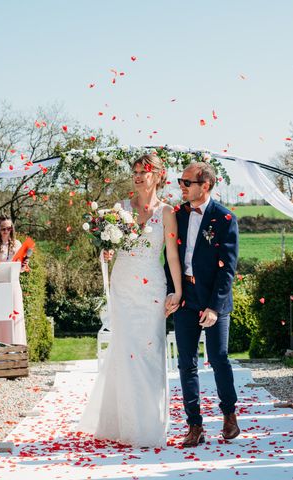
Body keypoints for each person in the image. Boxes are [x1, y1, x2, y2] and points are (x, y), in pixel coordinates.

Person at [79, 153, 182, 447]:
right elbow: (106, 245)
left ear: (158, 176)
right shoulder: (119, 209)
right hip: (122, 285)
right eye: (135, 171)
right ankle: (122, 424)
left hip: (152, 289)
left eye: (144, 172)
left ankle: (149, 425)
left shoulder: (167, 213)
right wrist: (106, 252)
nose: (138, 176)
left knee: (149, 352)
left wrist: (178, 290)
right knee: (124, 352)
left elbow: (172, 256)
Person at [165, 161, 240, 447]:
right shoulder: (177, 215)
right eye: (180, 182)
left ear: (205, 185)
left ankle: (229, 415)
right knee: (186, 363)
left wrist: (214, 307)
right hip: (185, 297)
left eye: (187, 183)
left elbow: (228, 269)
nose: (181, 187)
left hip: (213, 300)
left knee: (219, 357)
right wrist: (174, 291)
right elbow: (168, 254)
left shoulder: (225, 219)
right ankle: (194, 425)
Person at [0, 216, 27, 345]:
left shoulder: (17, 244)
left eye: (9, 228)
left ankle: (16, 348)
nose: (6, 231)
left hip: (13, 285)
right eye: (3, 228)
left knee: (14, 317)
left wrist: (23, 265)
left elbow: (20, 269)